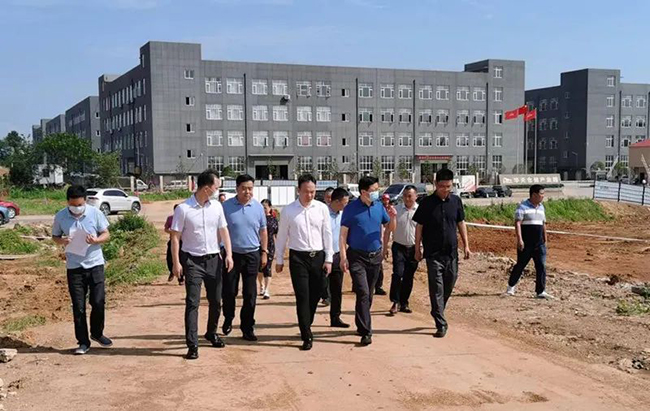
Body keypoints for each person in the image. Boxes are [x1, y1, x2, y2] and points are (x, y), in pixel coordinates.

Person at [171, 170, 234, 360]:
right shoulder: (183, 209)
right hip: (193, 261)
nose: (217, 190)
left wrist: (229, 254)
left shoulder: (217, 207)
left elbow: (224, 231)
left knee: (216, 301)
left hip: (214, 260)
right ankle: (192, 345)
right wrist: (176, 263)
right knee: (193, 303)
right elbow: (175, 237)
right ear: (207, 188)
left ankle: (211, 332)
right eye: (216, 187)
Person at [51, 185, 112, 355]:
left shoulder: (95, 213)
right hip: (74, 267)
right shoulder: (61, 216)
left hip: (95, 264)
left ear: (85, 201)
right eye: (72, 205)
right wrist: (62, 241)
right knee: (78, 306)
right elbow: (55, 236)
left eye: (79, 205)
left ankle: (97, 333)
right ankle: (83, 342)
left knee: (98, 301)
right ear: (67, 202)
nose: (76, 208)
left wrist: (96, 240)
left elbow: (106, 233)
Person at [275, 174, 333, 351]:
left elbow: (327, 234)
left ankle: (307, 321)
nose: (310, 195)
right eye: (306, 191)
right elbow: (282, 236)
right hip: (298, 258)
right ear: (298, 190)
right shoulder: (289, 211)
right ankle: (306, 334)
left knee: (315, 295)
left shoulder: (321, 209)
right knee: (302, 296)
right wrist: (279, 259)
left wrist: (329, 258)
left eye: (313, 191)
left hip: (318, 257)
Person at [413, 169, 471, 338]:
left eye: (448, 186)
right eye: (442, 186)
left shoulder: (456, 201)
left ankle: (437, 309)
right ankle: (441, 323)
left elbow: (461, 223)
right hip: (433, 254)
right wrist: (417, 248)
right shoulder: (426, 203)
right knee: (436, 288)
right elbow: (419, 227)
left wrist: (466, 245)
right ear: (435, 185)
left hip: (451, 253)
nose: (445, 189)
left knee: (449, 284)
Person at [340, 176, 396, 346]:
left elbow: (389, 227)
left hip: (375, 256)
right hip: (357, 257)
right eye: (374, 190)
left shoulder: (379, 206)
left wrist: (393, 217)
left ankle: (361, 322)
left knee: (369, 293)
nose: (376, 193)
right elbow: (343, 235)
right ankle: (366, 331)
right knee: (363, 292)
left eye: (377, 189)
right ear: (363, 192)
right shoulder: (351, 209)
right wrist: (343, 257)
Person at [222, 174, 268, 341]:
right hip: (231, 255)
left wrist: (264, 252)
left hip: (252, 254)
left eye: (250, 188)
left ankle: (247, 327)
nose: (247, 192)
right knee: (229, 291)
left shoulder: (258, 207)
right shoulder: (226, 206)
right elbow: (220, 230)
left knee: (250, 293)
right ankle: (228, 317)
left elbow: (263, 231)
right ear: (237, 188)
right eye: (244, 188)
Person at [506, 184, 553, 299]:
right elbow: (517, 223)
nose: (543, 196)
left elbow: (543, 224)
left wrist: (545, 239)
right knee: (520, 265)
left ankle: (540, 291)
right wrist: (520, 240)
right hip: (526, 244)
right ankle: (511, 287)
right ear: (534, 195)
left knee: (541, 266)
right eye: (541, 194)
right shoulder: (522, 206)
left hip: (539, 244)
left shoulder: (541, 207)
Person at [384, 185, 419, 315]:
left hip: (413, 248)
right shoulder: (396, 210)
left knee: (409, 277)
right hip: (399, 247)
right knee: (398, 274)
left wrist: (420, 249)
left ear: (416, 196)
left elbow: (425, 232)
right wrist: (385, 247)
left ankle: (404, 302)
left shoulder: (420, 211)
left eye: (410, 196)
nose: (407, 198)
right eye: (405, 196)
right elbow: (388, 230)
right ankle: (395, 301)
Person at [328, 187, 351, 328]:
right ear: (336, 201)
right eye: (345, 202)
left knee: (337, 289)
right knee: (318, 287)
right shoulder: (323, 214)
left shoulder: (344, 215)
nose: (346, 205)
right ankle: (308, 319)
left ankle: (335, 317)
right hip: (323, 255)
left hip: (337, 255)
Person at [258, 199, 278, 299]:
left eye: (265, 208)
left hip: (270, 245)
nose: (263, 210)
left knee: (268, 267)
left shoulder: (274, 220)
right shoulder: (257, 218)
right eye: (262, 208)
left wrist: (277, 248)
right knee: (259, 268)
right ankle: (261, 285)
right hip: (258, 245)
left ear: (270, 208)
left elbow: (276, 234)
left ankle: (266, 290)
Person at [319, 186, 335, 306]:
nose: (329, 200)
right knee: (324, 274)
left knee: (334, 276)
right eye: (327, 197)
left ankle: (331, 296)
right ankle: (326, 296)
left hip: (336, 248)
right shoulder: (320, 211)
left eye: (331, 197)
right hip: (322, 248)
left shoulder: (340, 212)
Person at [165, 204, 184, 284]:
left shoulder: (184, 219)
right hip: (172, 240)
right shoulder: (170, 218)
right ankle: (171, 271)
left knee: (181, 259)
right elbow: (166, 229)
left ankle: (181, 278)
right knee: (169, 258)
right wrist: (172, 232)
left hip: (182, 242)